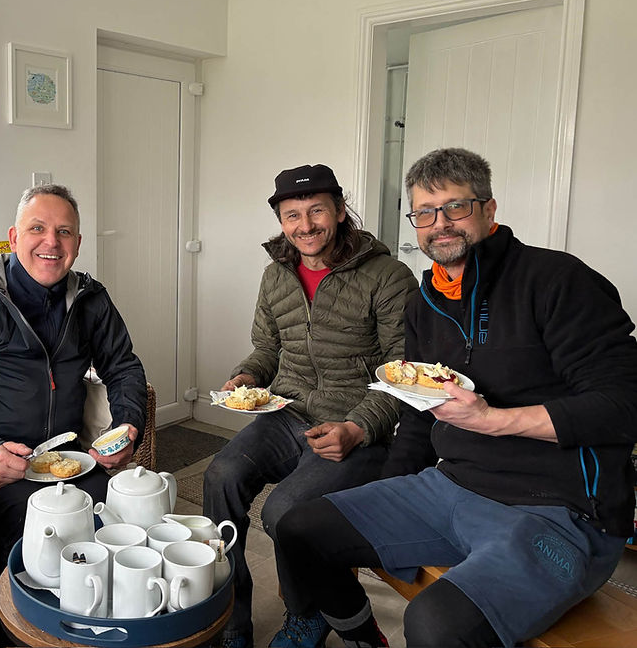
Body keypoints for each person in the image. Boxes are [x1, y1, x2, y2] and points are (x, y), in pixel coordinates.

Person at [273, 147, 637, 648]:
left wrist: (494, 420)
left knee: (434, 624)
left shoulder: (557, 281)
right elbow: (419, 415)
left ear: (489, 209)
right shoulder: (426, 302)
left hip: (561, 511)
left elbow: (624, 405)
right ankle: (363, 639)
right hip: (451, 486)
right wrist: (385, 496)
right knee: (299, 530)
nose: (439, 224)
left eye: (455, 207)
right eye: (424, 212)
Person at [204, 164, 418, 648]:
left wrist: (358, 427)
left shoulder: (388, 276)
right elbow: (267, 348)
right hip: (288, 414)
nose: (305, 225)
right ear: (281, 221)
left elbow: (404, 368)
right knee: (220, 477)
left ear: (340, 211)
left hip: (357, 425)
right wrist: (248, 375)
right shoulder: (275, 276)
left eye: (316, 211)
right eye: (292, 215)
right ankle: (230, 617)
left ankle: (306, 617)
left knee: (284, 511)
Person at [0, 184, 147, 561]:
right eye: (37, 228)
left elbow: (123, 367)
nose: (51, 242)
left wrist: (127, 426)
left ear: (77, 243)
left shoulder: (92, 299)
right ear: (14, 238)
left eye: (64, 231)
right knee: (46, 551)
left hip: (67, 463)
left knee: (127, 526)